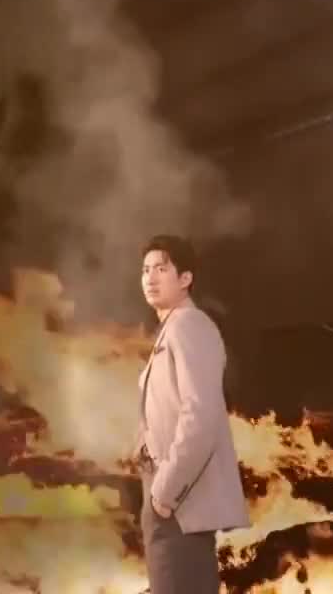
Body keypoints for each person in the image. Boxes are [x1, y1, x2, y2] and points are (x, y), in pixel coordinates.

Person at [134, 234, 250, 594]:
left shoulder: (189, 324)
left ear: (185, 278)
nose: (150, 278)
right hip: (172, 499)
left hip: (178, 503)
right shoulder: (172, 328)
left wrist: (164, 493)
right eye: (146, 270)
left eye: (161, 269)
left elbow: (200, 414)